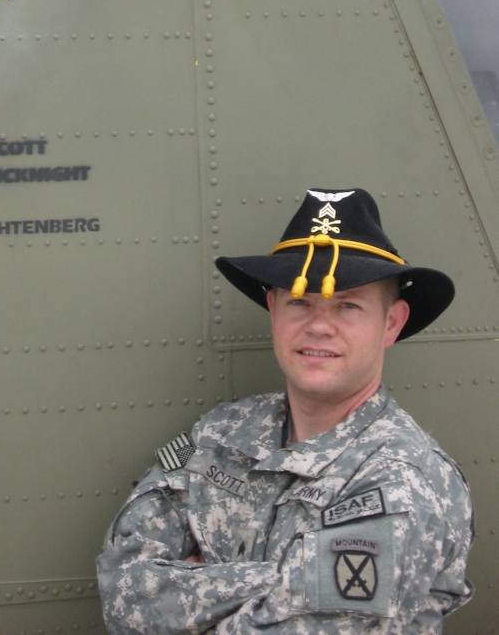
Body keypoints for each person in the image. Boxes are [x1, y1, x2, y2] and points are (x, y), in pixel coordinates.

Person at [97, 188, 474, 633]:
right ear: (273, 309)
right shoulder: (222, 433)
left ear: (391, 323)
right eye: (299, 301)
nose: (318, 325)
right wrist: (280, 582)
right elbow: (123, 590)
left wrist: (196, 583)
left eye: (347, 305)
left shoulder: (403, 482)